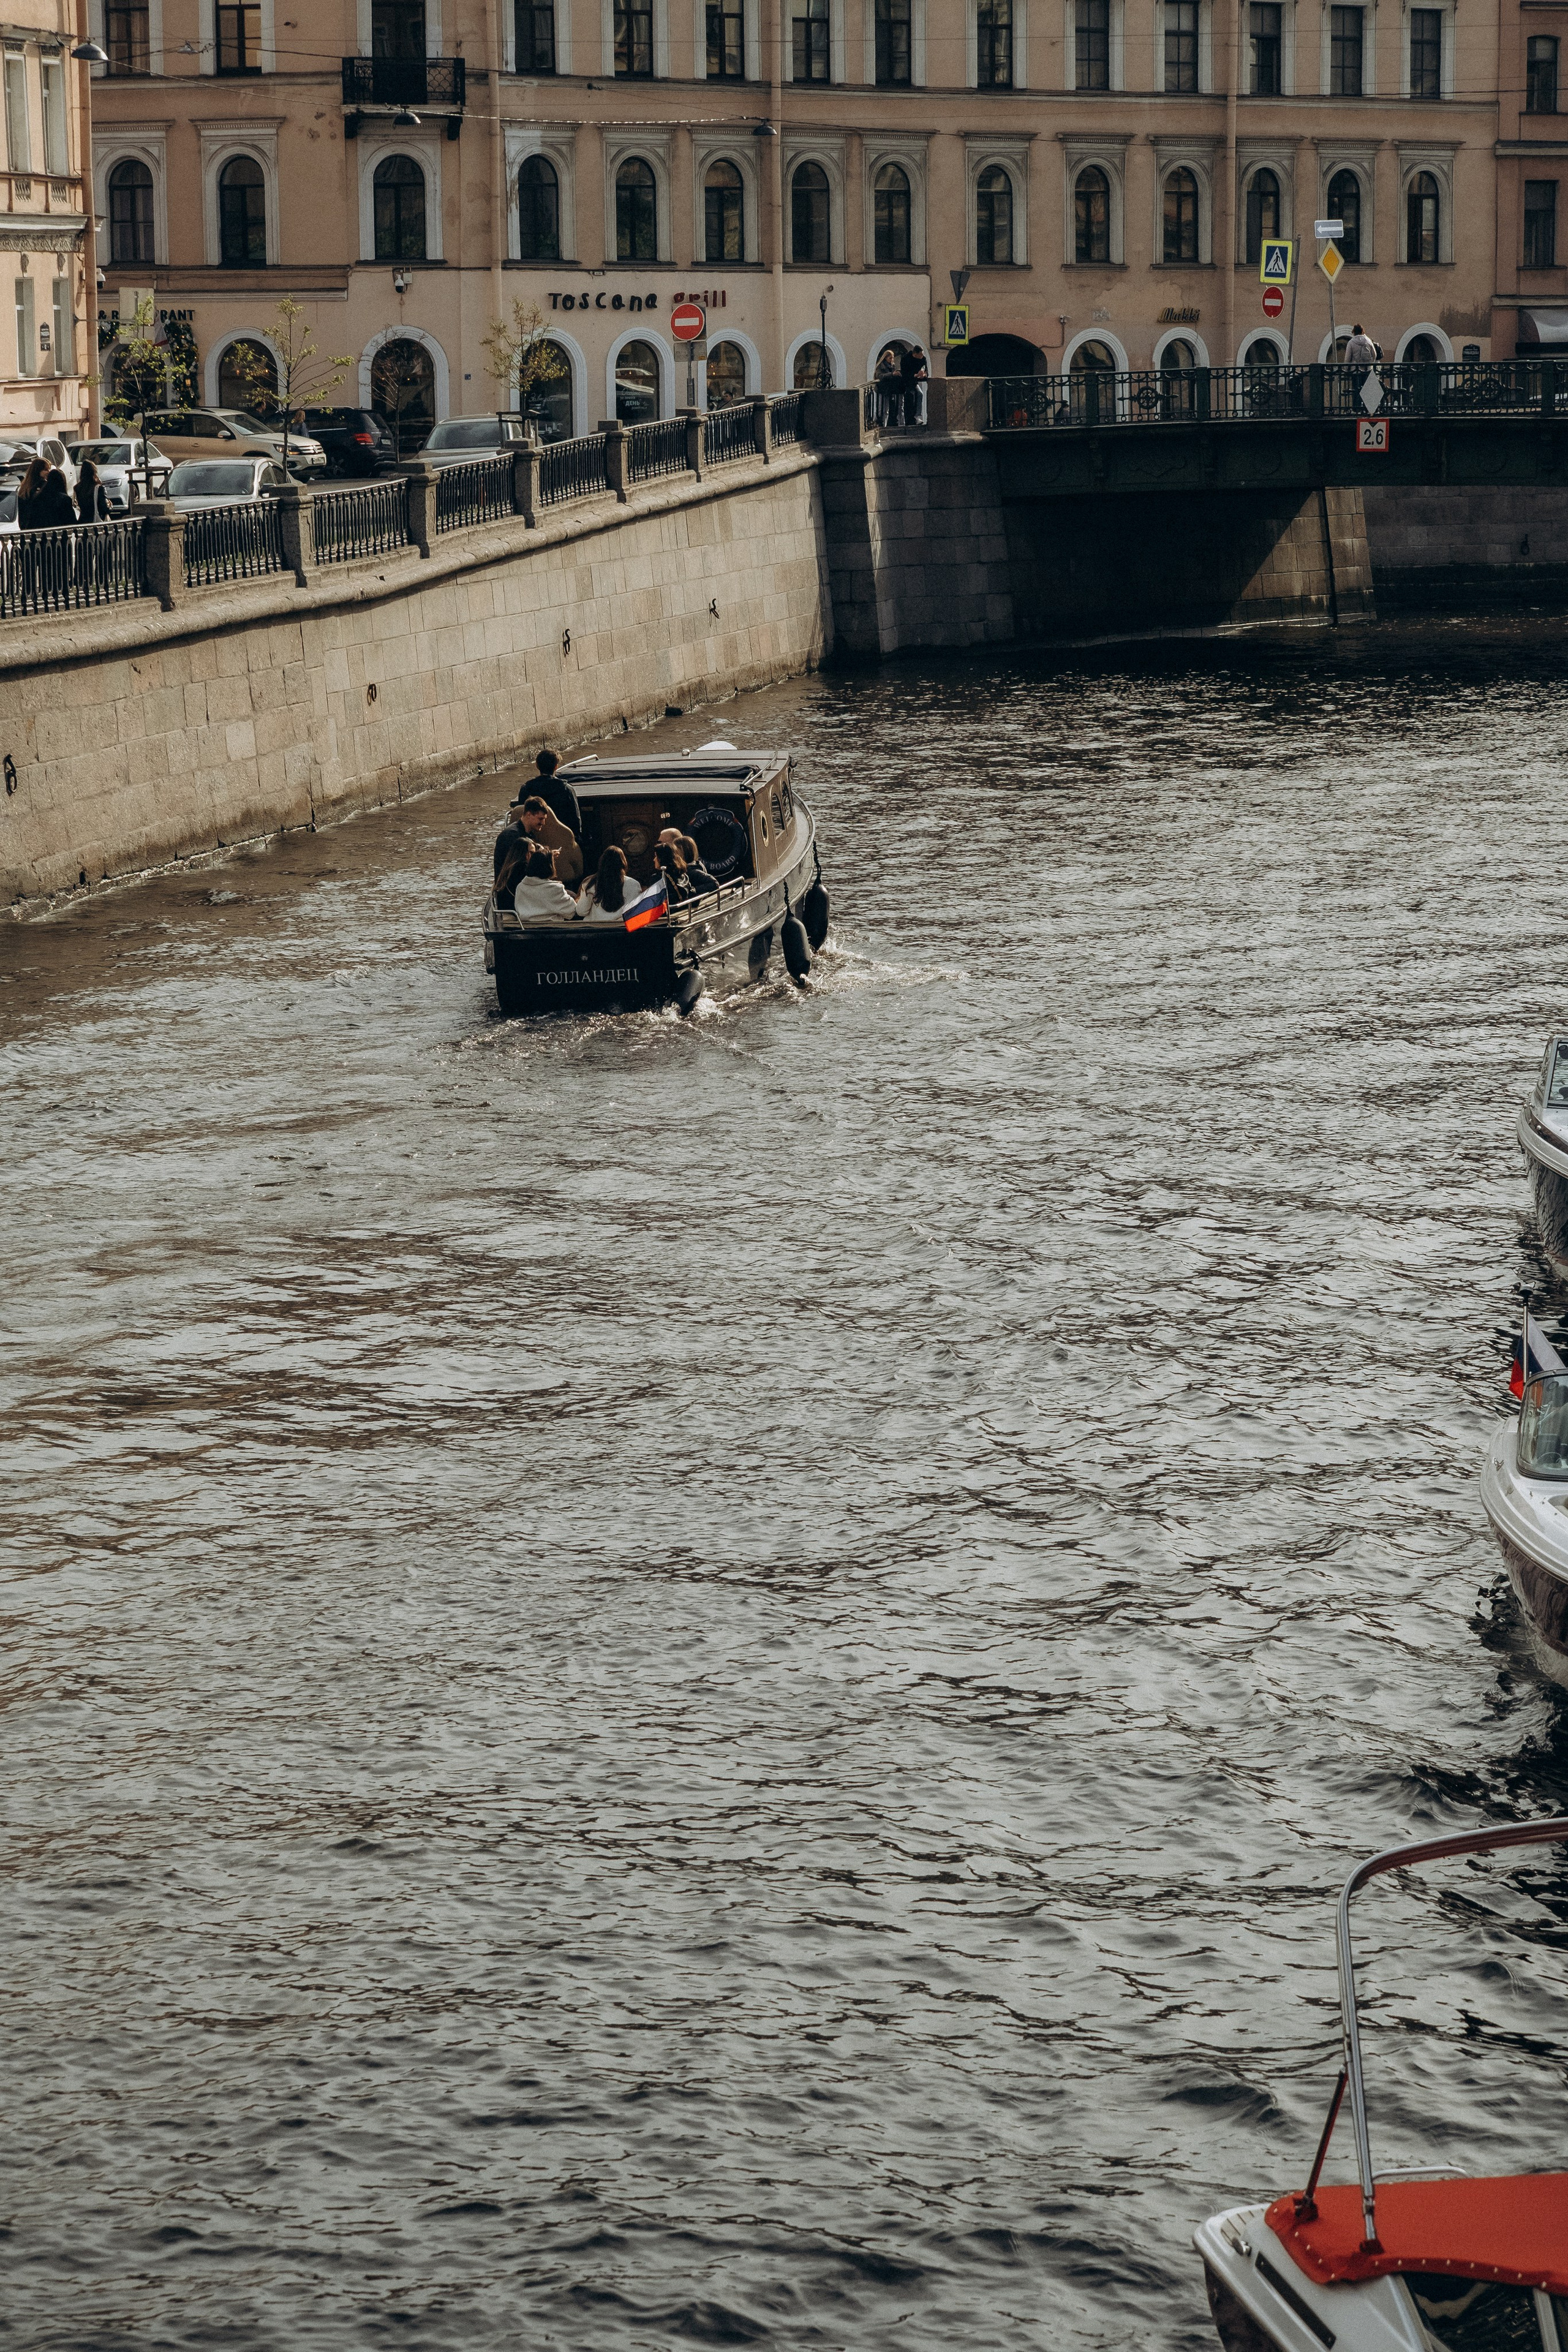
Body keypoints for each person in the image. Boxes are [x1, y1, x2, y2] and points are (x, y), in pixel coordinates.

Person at [498, 843, 578, 922]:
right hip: (553, 926)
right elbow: (572, 911)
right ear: (550, 867)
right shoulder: (556, 888)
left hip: (526, 926)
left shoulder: (520, 887)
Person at [529, 747, 582, 842]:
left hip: (534, 841)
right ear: (556, 767)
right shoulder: (567, 790)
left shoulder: (526, 789)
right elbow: (576, 823)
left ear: (537, 766)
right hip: (562, 841)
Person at [575, 846, 635, 922]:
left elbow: (581, 912)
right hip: (621, 927)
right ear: (623, 863)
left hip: (595, 927)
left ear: (602, 862)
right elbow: (634, 912)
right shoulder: (634, 885)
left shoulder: (590, 883)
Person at [897, 342, 929, 428]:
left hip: (914, 382)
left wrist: (924, 375)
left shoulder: (923, 359)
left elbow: (926, 370)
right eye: (920, 355)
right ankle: (909, 420)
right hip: (907, 382)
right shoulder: (906, 359)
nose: (922, 356)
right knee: (910, 397)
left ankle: (918, 416)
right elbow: (905, 373)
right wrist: (916, 375)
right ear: (915, 354)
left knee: (920, 394)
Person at [16, 454, 49, 529]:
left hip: (27, 529)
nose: (48, 472)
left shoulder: (24, 488)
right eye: (45, 470)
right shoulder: (43, 485)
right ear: (38, 470)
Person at [873, 345, 902, 431]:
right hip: (882, 390)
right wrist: (892, 374)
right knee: (881, 410)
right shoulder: (881, 366)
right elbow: (880, 376)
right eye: (890, 358)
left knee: (887, 410)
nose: (892, 360)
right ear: (885, 358)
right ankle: (879, 425)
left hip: (889, 390)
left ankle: (884, 427)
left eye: (893, 358)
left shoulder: (892, 367)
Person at [75, 459, 110, 525]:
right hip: (96, 522)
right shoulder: (99, 488)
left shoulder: (77, 488)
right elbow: (104, 508)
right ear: (94, 472)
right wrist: (110, 507)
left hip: (83, 521)